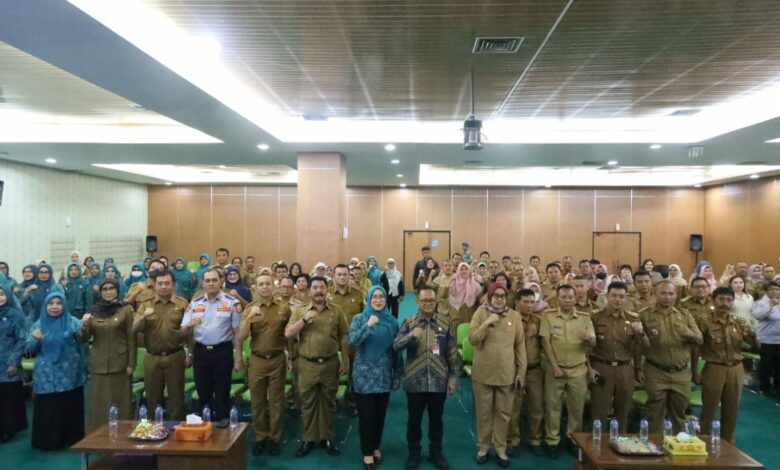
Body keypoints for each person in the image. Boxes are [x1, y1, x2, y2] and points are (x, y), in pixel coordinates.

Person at [394, 286, 460, 470]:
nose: (428, 304)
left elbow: (452, 353)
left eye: (431, 300)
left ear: (436, 302)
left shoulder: (446, 323)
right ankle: (413, 453)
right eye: (424, 300)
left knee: (436, 420)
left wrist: (453, 379)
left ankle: (435, 452)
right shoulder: (409, 322)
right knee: (414, 420)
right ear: (417, 302)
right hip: (415, 381)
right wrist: (410, 336)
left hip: (439, 381)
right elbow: (396, 345)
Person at [285, 276, 349, 457]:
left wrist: (345, 360)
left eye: (322, 287)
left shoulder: (336, 311)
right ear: (309, 291)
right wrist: (304, 320)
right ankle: (308, 439)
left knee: (328, 403)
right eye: (315, 287)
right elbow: (288, 334)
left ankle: (327, 438)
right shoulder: (300, 311)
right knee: (307, 403)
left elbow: (344, 337)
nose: (319, 291)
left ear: (327, 290)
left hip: (330, 364)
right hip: (307, 365)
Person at [469, 283, 526, 467]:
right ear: (490, 296)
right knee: (484, 413)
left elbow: (520, 346)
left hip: (506, 374)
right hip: (483, 373)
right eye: (496, 296)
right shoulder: (480, 313)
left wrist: (521, 372)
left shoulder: (514, 316)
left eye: (503, 296)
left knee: (503, 413)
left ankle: (501, 449)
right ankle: (484, 447)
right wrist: (486, 323)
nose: (500, 299)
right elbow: (473, 340)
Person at [637, 280, 703, 434]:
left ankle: (677, 442)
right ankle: (654, 443)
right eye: (663, 293)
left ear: (676, 295)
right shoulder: (644, 315)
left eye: (671, 294)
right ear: (655, 294)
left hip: (681, 373)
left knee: (679, 412)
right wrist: (637, 368)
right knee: (655, 412)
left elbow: (700, 340)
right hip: (656, 371)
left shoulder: (685, 315)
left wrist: (689, 333)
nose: (667, 297)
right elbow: (638, 345)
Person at [238, 273, 292, 457]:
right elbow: (241, 336)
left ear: (273, 287)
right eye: (261, 284)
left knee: (276, 401)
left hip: (277, 359)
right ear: (255, 287)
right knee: (258, 401)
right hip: (257, 360)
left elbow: (289, 336)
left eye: (268, 283)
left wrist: (291, 357)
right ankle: (261, 437)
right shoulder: (250, 308)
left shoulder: (284, 307)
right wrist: (249, 318)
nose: (265, 287)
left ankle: (275, 438)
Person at [694, 286, 757, 443]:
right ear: (713, 300)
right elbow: (695, 348)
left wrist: (751, 334)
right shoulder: (703, 321)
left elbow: (755, 345)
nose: (725, 303)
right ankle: (703, 441)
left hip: (736, 369)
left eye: (729, 300)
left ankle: (728, 443)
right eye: (721, 299)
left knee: (732, 409)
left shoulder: (739, 322)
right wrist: (694, 371)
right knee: (709, 409)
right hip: (714, 368)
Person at [181, 268, 244, 425]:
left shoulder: (232, 302)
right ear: (202, 283)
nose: (211, 283)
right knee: (203, 393)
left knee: (222, 393)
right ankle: (205, 428)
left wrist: (238, 357)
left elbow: (237, 332)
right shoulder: (195, 303)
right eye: (207, 280)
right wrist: (189, 325)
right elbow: (184, 331)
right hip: (201, 352)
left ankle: (223, 430)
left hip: (222, 352)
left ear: (221, 282)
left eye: (214, 280)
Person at [349, 286, 402, 470]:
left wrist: (397, 374)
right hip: (364, 375)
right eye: (375, 297)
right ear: (369, 300)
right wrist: (368, 326)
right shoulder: (360, 318)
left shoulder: (392, 322)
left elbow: (396, 350)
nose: (378, 300)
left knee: (380, 415)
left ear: (386, 300)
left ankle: (376, 446)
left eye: (381, 297)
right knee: (366, 416)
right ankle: (367, 452)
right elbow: (353, 340)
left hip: (384, 375)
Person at [540, 284, 595, 459]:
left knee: (576, 408)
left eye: (571, 297)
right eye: (563, 297)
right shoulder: (548, 316)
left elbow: (593, 342)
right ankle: (552, 441)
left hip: (578, 370)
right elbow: (545, 342)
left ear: (575, 298)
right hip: (555, 369)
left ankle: (573, 439)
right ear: (557, 299)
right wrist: (555, 366)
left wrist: (588, 338)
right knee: (553, 407)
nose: (567, 300)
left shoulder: (584, 318)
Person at [25, 292, 86, 450]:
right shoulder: (38, 325)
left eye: (59, 303)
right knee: (49, 407)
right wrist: (35, 339)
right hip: (47, 375)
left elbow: (83, 342)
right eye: (51, 304)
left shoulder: (73, 322)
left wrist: (84, 329)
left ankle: (71, 438)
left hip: (70, 373)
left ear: (64, 305)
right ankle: (49, 441)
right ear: (45, 306)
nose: (55, 307)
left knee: (69, 405)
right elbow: (28, 350)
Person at [588, 282, 648, 432]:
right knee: (599, 411)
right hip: (602, 367)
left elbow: (645, 346)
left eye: (621, 296)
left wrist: (640, 333)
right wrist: (589, 368)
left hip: (625, 369)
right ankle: (598, 442)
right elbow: (586, 347)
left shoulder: (633, 318)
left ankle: (621, 441)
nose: (618, 299)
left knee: (623, 410)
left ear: (626, 298)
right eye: (614, 295)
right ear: (607, 296)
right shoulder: (595, 317)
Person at [133, 269, 190, 420]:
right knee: (152, 397)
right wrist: (143, 317)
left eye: (167, 283)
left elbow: (190, 332)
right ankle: (153, 429)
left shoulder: (182, 304)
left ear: (173, 285)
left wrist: (190, 353)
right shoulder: (145, 305)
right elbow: (134, 329)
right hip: (152, 357)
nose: (163, 286)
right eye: (160, 283)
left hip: (175, 356)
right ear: (155, 285)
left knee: (177, 398)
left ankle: (176, 428)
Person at [81, 278, 135, 430]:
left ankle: (123, 435)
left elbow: (132, 338)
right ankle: (98, 435)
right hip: (99, 364)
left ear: (117, 290)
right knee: (99, 403)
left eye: (112, 288)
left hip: (120, 364)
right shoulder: (93, 311)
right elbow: (84, 338)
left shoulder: (126, 310)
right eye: (105, 289)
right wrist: (84, 325)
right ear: (100, 292)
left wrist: (132, 363)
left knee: (121, 402)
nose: (108, 292)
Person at [507, 288, 545, 457]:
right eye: (526, 302)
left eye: (532, 302)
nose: (530, 305)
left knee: (537, 407)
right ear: (517, 302)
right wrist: (526, 334)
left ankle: (535, 440)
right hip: (514, 370)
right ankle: (513, 441)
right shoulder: (509, 320)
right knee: (514, 408)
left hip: (535, 369)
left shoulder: (539, 321)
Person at [0, 284, 27, 443]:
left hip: (8, 363)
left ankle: (8, 430)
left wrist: (13, 363)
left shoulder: (15, 314)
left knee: (7, 398)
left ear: (9, 296)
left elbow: (21, 340)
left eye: (2, 294)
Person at [752, 281, 780, 396]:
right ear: (766, 291)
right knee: (766, 365)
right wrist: (770, 305)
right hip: (767, 340)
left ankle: (778, 387)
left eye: (777, 289)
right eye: (772, 289)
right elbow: (758, 316)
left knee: (779, 366)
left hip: (779, 340)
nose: (775, 292)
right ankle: (764, 388)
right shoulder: (760, 303)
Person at [445, 262, 481, 330]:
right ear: (458, 271)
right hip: (456, 317)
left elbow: (478, 302)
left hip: (470, 317)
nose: (464, 271)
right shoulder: (453, 283)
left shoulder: (476, 285)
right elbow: (445, 298)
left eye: (466, 269)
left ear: (469, 271)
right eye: (461, 269)